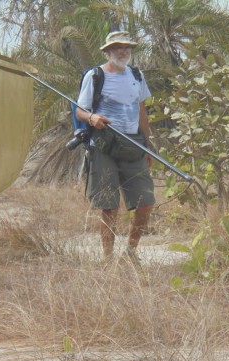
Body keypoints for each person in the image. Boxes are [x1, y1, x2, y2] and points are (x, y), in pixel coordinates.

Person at [76, 31, 155, 265]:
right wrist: (93, 119)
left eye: (127, 48)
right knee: (109, 206)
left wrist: (147, 145)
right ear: (108, 52)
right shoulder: (95, 75)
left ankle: (130, 252)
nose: (123, 52)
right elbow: (80, 110)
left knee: (146, 201)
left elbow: (141, 112)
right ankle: (108, 259)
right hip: (103, 146)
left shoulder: (137, 76)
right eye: (118, 48)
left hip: (133, 146)